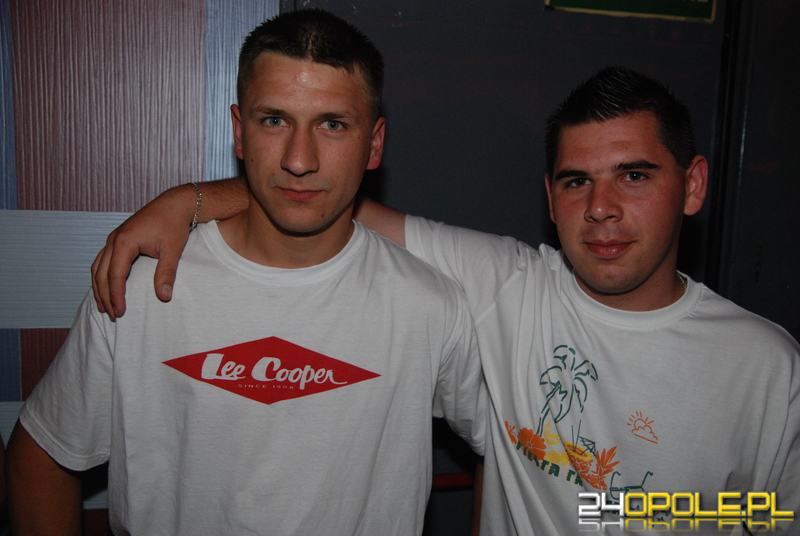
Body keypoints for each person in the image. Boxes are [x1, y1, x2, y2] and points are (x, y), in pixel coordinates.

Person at [91, 67, 799, 534]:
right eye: (577, 181)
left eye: (634, 176)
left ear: (693, 185)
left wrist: (657, 513)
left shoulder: (764, 364)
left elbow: (770, 518)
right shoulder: (505, 285)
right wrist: (187, 201)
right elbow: (327, 200)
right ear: (550, 196)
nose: (602, 208)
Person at [6, 10, 485, 535]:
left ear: (373, 144)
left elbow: (507, 449)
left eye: (332, 124)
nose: (299, 160)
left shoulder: (429, 305)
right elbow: (42, 453)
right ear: (239, 132)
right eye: (274, 120)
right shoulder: (144, 285)